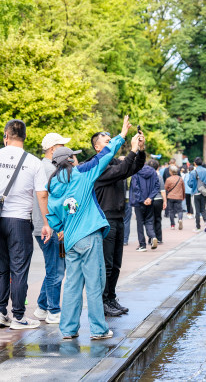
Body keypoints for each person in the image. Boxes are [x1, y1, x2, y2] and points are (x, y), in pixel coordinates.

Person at [44, 116, 131, 340]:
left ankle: (69, 330)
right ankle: (98, 329)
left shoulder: (53, 182)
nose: (76, 158)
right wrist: (121, 135)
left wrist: (59, 227)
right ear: (70, 159)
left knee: (72, 284)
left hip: (70, 239)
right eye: (74, 155)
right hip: (90, 236)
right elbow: (105, 155)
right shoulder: (82, 174)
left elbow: (51, 213)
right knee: (95, 282)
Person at [0, 119, 51, 330]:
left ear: (6, 135)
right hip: (20, 220)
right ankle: (19, 316)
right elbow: (41, 195)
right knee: (19, 269)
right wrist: (47, 222)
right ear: (24, 136)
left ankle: (1, 312)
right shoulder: (33, 162)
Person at [88, 128, 145, 317]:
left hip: (119, 217)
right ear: (97, 147)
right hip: (105, 218)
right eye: (107, 142)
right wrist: (132, 150)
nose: (111, 144)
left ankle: (111, 297)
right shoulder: (96, 165)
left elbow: (133, 167)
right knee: (107, 263)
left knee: (117, 263)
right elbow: (122, 168)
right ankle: (103, 301)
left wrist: (140, 150)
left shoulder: (113, 162)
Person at [30, 133, 70, 325]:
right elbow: (49, 198)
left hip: (44, 224)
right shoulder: (48, 168)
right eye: (62, 146)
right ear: (53, 149)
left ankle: (42, 306)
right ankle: (54, 310)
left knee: (53, 267)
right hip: (49, 226)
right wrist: (54, 225)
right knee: (56, 269)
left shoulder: (43, 166)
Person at [129, 160, 160, 251]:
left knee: (140, 223)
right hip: (150, 201)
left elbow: (135, 188)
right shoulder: (153, 172)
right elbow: (156, 186)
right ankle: (153, 236)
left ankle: (142, 244)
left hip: (139, 202)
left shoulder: (136, 172)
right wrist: (150, 198)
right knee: (149, 221)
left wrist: (142, 200)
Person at [187, 157, 206, 232]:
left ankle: (198, 227)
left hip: (196, 192)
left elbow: (189, 184)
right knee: (203, 209)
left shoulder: (193, 172)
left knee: (197, 210)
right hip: (204, 192)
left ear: (195, 163)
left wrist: (193, 186)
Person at [147, 159, 167, 244]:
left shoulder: (146, 177)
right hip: (158, 200)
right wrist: (165, 201)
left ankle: (151, 237)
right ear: (157, 167)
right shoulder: (159, 177)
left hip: (149, 200)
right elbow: (162, 190)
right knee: (158, 219)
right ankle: (159, 238)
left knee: (149, 219)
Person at [164, 166, 185, 230]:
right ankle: (180, 219)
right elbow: (183, 189)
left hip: (170, 197)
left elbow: (165, 188)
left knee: (171, 211)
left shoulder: (168, 179)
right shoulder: (180, 179)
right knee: (180, 210)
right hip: (179, 197)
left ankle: (172, 225)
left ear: (171, 172)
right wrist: (183, 196)